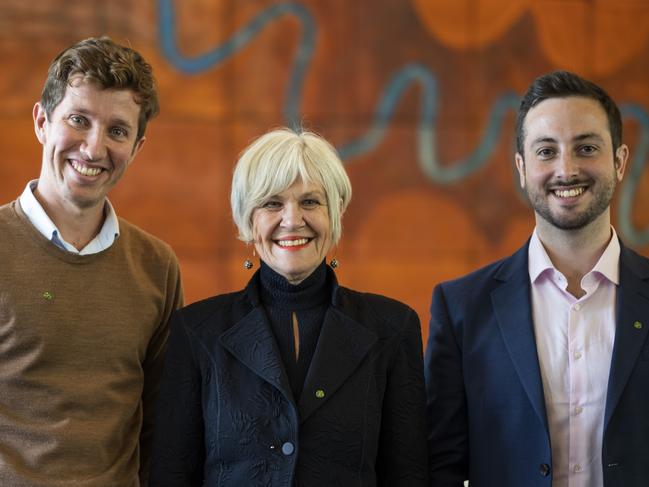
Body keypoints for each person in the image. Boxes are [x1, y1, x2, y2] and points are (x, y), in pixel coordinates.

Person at [150, 128, 428, 486]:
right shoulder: (196, 331)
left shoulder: (394, 327)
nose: (292, 219)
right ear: (249, 219)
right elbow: (171, 474)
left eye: (310, 201)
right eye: (272, 203)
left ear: (336, 212)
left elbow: (409, 475)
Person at [425, 70, 649, 487]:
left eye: (586, 147)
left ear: (619, 162)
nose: (566, 169)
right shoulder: (462, 309)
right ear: (522, 168)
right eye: (547, 151)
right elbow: (442, 465)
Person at [0, 37, 183, 486]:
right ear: (42, 121)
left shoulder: (157, 266)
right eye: (78, 120)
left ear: (138, 147)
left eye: (118, 131)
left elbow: (165, 425)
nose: (94, 148)